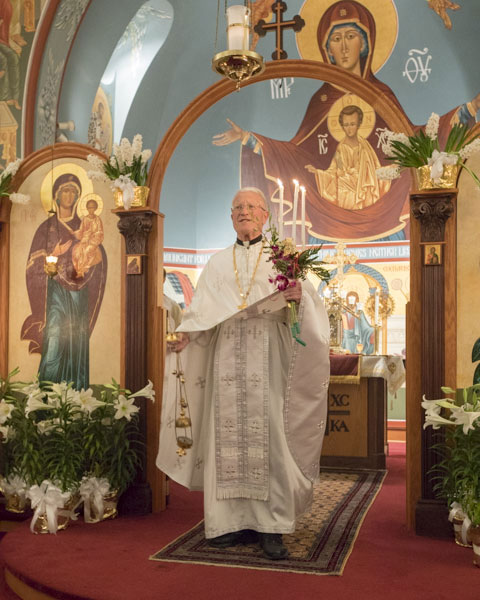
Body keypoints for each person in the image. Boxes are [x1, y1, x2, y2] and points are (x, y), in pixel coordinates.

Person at [157, 188, 330, 560]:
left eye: (252, 207)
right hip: (226, 361)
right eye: (237, 208)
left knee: (270, 435)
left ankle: (272, 527)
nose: (244, 212)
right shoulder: (217, 263)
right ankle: (228, 523)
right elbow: (201, 312)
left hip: (269, 358)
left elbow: (308, 312)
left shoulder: (283, 259)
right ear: (230, 216)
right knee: (227, 436)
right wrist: (186, 336)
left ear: (266, 215)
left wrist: (301, 299)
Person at [213, 0, 478, 243]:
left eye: (350, 36)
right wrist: (249, 139)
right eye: (335, 39)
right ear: (326, 47)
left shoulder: (381, 95)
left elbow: (415, 141)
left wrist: (466, 111)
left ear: (365, 43)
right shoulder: (322, 99)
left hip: (385, 217)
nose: (343, 46)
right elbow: (295, 153)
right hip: (326, 222)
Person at [21, 173, 107, 390]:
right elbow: (32, 265)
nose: (69, 195)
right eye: (65, 190)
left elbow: (98, 254)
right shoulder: (46, 227)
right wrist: (54, 253)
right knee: (55, 339)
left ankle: (76, 395)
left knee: (76, 340)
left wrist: (91, 256)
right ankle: (46, 394)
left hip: (79, 294)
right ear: (56, 195)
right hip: (55, 293)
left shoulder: (84, 226)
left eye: (73, 191)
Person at [306, 105, 389, 210]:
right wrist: (318, 172)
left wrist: (390, 170)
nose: (349, 128)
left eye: (352, 124)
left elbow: (375, 170)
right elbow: (335, 171)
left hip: (363, 192)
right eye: (346, 125)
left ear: (359, 124)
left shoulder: (365, 146)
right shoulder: (340, 148)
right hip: (345, 196)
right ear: (342, 126)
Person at [72, 199, 104, 278]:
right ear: (87, 209)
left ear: (95, 208)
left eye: (92, 208)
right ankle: (78, 270)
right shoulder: (85, 219)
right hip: (84, 240)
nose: (91, 210)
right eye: (89, 208)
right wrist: (75, 233)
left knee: (87, 251)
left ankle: (83, 270)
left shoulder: (97, 219)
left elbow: (100, 231)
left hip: (93, 241)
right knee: (77, 251)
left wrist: (92, 237)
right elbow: (81, 230)